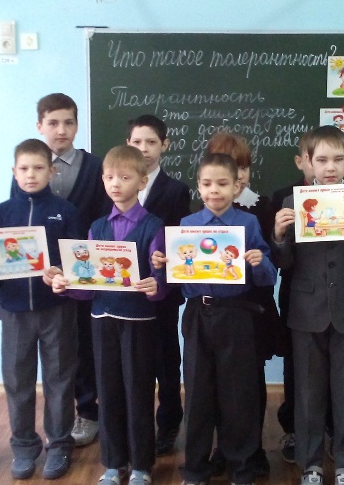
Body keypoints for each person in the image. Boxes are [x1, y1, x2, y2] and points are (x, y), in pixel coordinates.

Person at [272, 125, 344, 485]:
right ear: (308, 162)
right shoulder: (292, 203)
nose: (330, 167)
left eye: (338, 159)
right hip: (305, 309)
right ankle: (310, 464)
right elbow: (284, 263)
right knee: (307, 393)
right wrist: (278, 236)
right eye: (322, 159)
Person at [152, 153, 277, 485]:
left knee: (238, 394)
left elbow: (268, 277)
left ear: (237, 187)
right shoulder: (186, 225)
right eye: (207, 184)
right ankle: (195, 468)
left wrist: (258, 261)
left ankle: (241, 467)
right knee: (197, 393)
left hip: (237, 314)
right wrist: (161, 265)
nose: (214, 190)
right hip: (197, 314)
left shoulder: (248, 224)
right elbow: (174, 281)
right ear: (199, 187)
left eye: (222, 184)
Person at [47, 145, 168, 485]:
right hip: (102, 320)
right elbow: (87, 286)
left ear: (142, 181)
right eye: (110, 177)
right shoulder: (97, 227)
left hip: (138, 322)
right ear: (102, 180)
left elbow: (162, 282)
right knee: (109, 391)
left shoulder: (154, 226)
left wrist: (155, 285)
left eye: (125, 177)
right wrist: (66, 285)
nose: (116, 184)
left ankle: (141, 465)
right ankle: (114, 464)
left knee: (138, 391)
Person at [0, 139, 80, 480]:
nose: (31, 175)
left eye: (39, 168)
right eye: (24, 169)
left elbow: (78, 260)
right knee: (18, 381)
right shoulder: (0, 214)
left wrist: (61, 272)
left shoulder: (66, 211)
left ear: (52, 171)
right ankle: (24, 446)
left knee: (59, 380)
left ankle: (59, 445)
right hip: (14, 312)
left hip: (56, 310)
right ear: (14, 172)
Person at [26, 93, 112, 446]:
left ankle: (88, 412)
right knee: (56, 353)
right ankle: (57, 419)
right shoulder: (29, 166)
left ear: (77, 126)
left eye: (68, 122)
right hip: (41, 277)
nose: (61, 130)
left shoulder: (95, 167)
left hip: (84, 273)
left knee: (84, 345)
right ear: (40, 126)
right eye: (53, 123)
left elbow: (105, 220)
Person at [203, 131, 286, 478]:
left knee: (250, 384)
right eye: (228, 166)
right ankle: (223, 448)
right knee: (218, 383)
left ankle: (251, 449)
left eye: (243, 167)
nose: (236, 175)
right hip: (216, 312)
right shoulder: (203, 209)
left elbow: (273, 259)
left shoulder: (263, 207)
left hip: (253, 309)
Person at [125, 114, 192, 456]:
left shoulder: (176, 190)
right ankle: (132, 425)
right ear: (128, 144)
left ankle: (168, 423)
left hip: (162, 290)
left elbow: (179, 240)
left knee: (166, 359)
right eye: (137, 142)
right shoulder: (115, 184)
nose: (144, 148)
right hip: (123, 290)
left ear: (165, 145)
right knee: (130, 362)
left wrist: (164, 273)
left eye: (151, 142)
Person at [269, 131, 316, 464]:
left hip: (334, 293)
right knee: (295, 362)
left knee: (333, 367)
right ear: (301, 161)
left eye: (332, 158)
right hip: (295, 289)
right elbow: (278, 254)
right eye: (314, 158)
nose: (322, 166)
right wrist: (279, 233)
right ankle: (294, 428)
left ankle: (330, 427)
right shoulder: (284, 197)